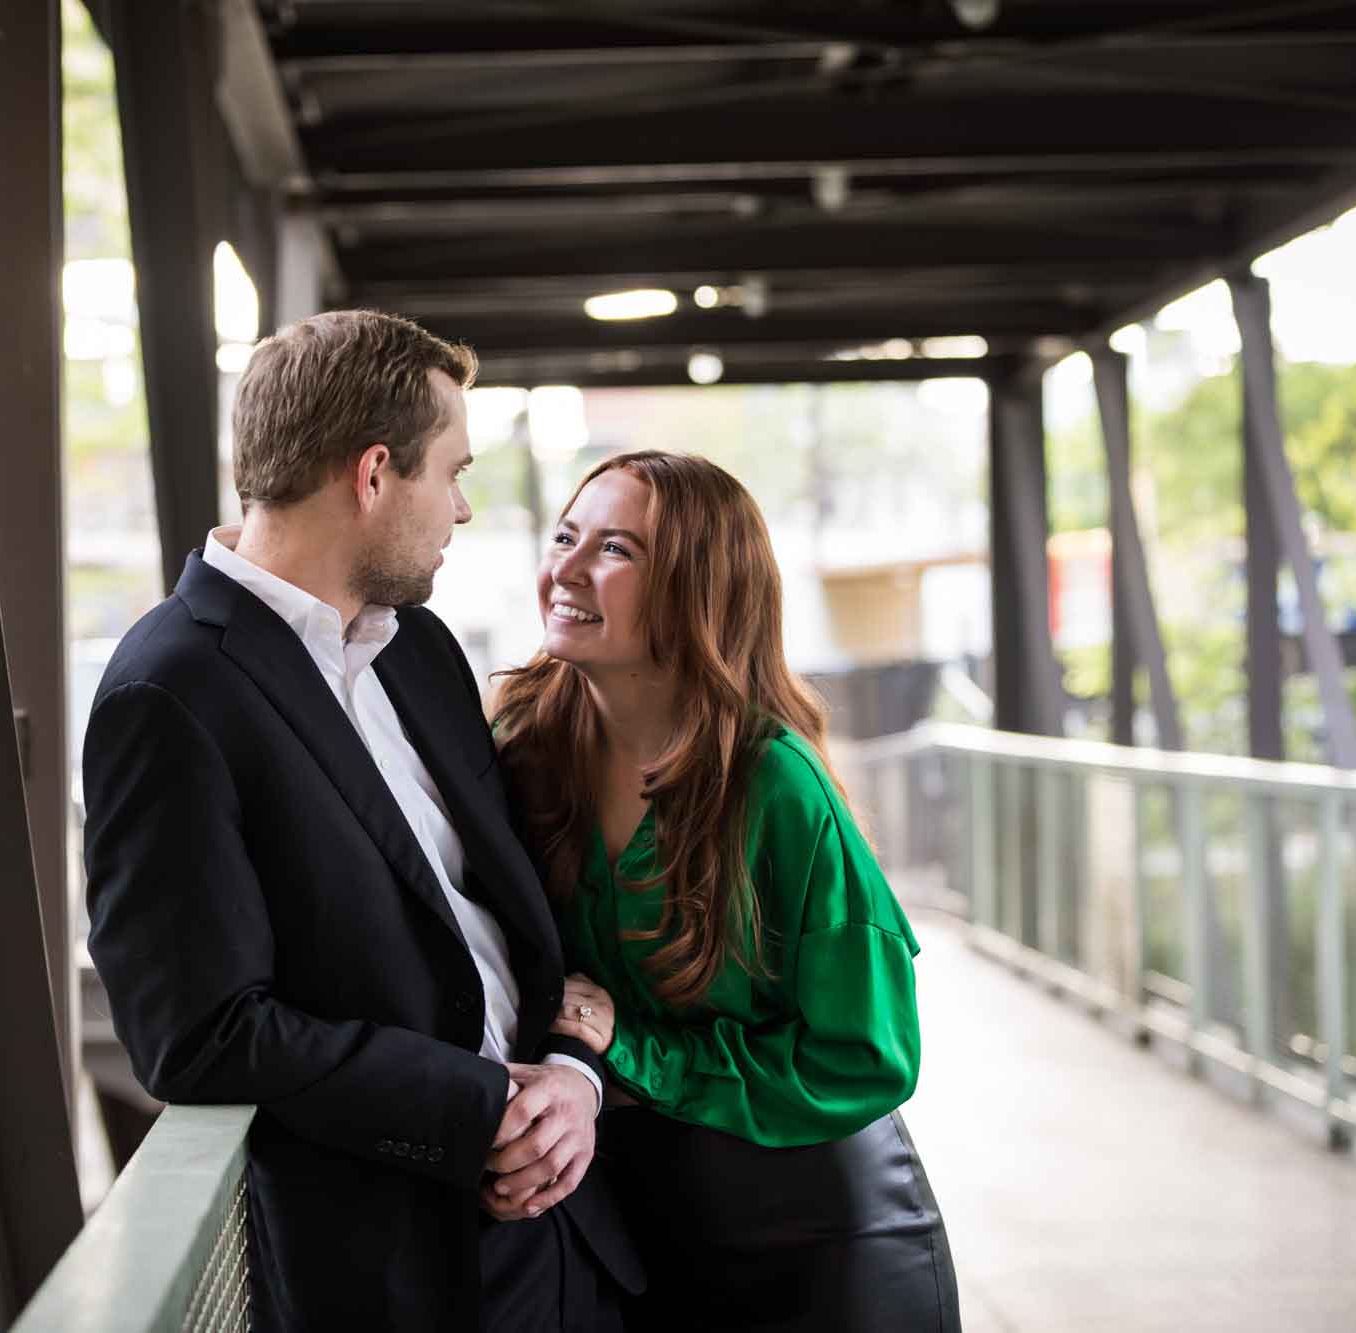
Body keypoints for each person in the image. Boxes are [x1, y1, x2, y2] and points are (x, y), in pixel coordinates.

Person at [81, 310, 643, 1332]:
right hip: (399, 1272)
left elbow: (510, 914)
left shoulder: (417, 650)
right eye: (452, 472)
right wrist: (477, 1109)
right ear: (374, 473)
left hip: (565, 1230)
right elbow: (197, 1034)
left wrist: (571, 1075)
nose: (462, 509)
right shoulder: (166, 693)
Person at [492, 450, 960, 1331]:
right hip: (637, 1227)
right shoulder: (524, 747)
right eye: (566, 535)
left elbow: (869, 1053)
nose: (569, 567)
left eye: (618, 549)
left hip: (822, 1242)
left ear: (693, 588)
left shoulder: (775, 783)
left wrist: (637, 1052)